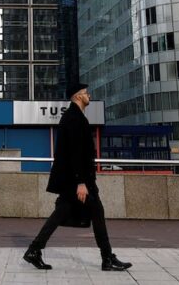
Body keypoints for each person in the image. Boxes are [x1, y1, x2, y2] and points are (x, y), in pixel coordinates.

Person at [22, 81, 132, 272]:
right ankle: (107, 258)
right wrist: (81, 182)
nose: (89, 95)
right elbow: (75, 152)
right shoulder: (73, 118)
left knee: (62, 212)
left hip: (74, 178)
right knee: (96, 211)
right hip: (77, 180)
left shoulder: (76, 116)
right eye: (85, 92)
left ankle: (34, 250)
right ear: (77, 96)